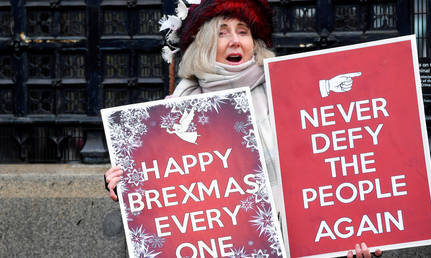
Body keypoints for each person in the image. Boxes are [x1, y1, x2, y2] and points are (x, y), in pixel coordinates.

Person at [104, 1, 383, 257]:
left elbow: (335, 170)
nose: (235, 41)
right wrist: (123, 183)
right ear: (203, 44)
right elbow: (163, 195)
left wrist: (353, 235)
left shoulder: (288, 93)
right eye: (222, 33)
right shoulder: (175, 109)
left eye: (243, 31)